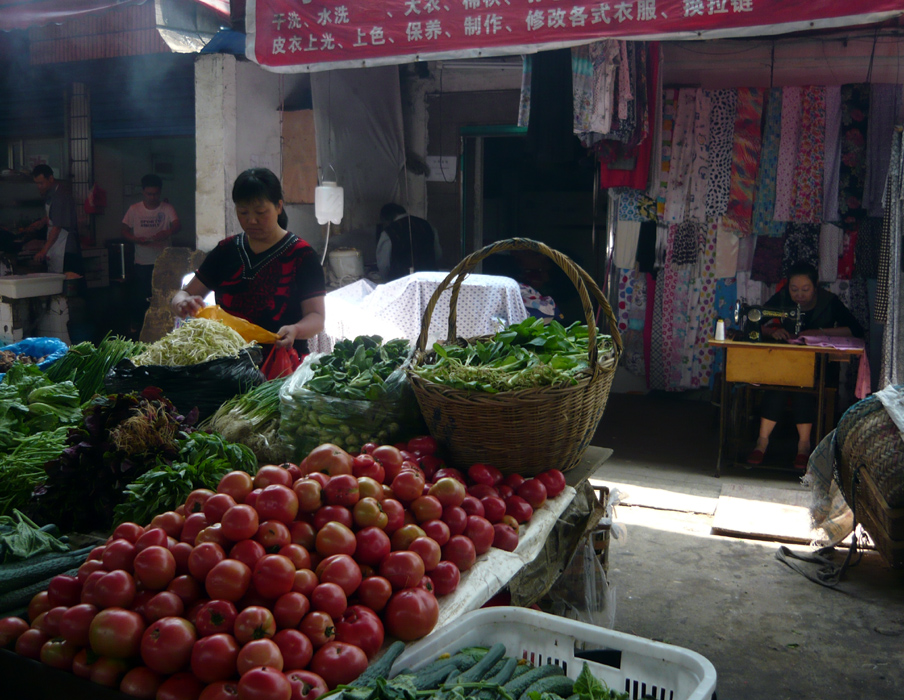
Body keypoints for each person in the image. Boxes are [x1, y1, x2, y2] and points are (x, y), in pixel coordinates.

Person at [171, 168, 325, 355]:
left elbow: (316, 316)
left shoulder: (301, 255)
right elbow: (184, 293)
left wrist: (296, 329)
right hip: (229, 362)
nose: (251, 220)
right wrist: (182, 303)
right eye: (243, 212)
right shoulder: (226, 250)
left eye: (260, 212)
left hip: (282, 362)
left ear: (279, 206)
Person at [746, 262, 864, 469]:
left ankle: (803, 445)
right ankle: (762, 441)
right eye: (794, 289)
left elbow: (855, 329)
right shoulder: (782, 299)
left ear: (815, 286)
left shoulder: (829, 302)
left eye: (805, 289)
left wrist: (820, 333)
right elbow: (754, 321)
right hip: (787, 363)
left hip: (821, 366)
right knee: (781, 383)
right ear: (787, 287)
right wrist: (771, 332)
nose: (799, 294)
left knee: (803, 385)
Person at [121, 174, 181, 333]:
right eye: (149, 194)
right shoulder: (134, 209)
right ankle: (140, 328)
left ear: (160, 192)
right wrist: (135, 239)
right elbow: (124, 230)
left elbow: (177, 225)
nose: (152, 197)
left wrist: (167, 232)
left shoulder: (167, 208)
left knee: (165, 296)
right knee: (142, 296)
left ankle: (165, 328)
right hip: (142, 262)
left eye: (155, 194)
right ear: (143, 192)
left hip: (164, 262)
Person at [20, 164, 83, 276]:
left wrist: (43, 251)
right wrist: (42, 221)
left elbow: (57, 228)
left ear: (51, 178)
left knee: (68, 284)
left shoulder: (60, 196)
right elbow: (54, 215)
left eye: (41, 183)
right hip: (57, 247)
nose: (39, 186)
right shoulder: (51, 194)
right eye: (37, 183)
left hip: (65, 249)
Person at [376, 203, 442, 282]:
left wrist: (386, 281)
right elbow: (438, 254)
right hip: (429, 281)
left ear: (386, 218)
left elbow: (384, 265)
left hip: (402, 283)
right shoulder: (427, 225)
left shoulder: (389, 232)